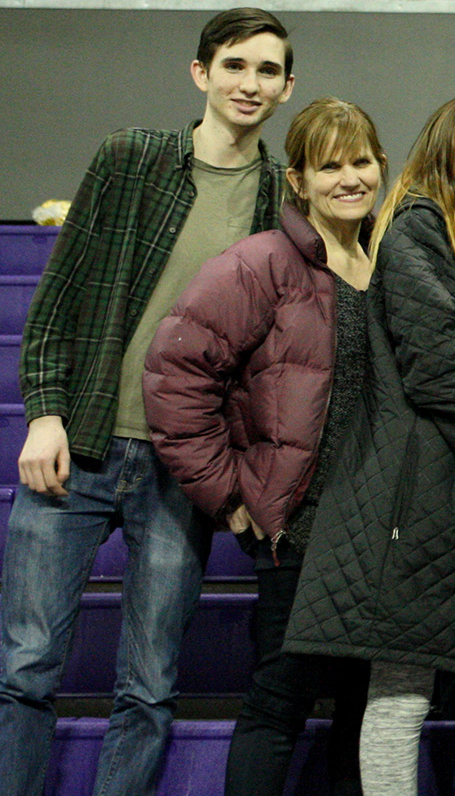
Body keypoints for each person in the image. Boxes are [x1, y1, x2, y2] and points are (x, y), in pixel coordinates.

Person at [2, 8, 294, 796]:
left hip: (182, 468)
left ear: (287, 88)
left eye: (268, 71)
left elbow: (268, 367)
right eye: (235, 65)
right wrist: (45, 411)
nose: (250, 83)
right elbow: (59, 297)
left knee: (149, 684)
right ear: (201, 73)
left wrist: (240, 479)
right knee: (25, 667)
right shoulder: (132, 158)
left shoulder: (279, 201)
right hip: (84, 443)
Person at [281, 90, 455, 796]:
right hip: (421, 506)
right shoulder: (416, 232)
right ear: (444, 165)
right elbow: (440, 376)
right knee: (400, 699)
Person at [144, 98, 383, 796]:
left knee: (366, 710)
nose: (349, 178)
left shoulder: (389, 260)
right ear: (299, 180)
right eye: (329, 165)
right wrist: (228, 494)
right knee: (279, 701)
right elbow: (176, 374)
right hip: (301, 528)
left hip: (379, 529)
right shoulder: (257, 263)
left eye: (361, 161)